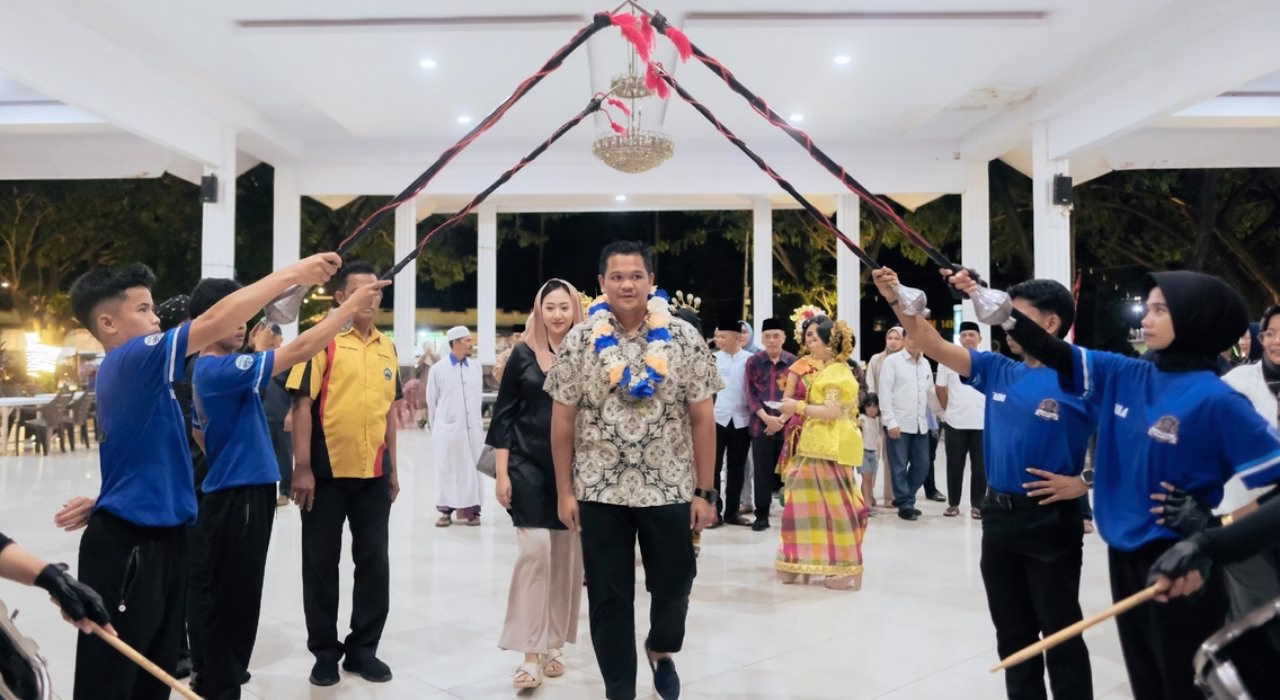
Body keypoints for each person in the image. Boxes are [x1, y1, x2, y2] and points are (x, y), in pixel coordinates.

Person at [950, 268, 1280, 700]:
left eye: (1161, 309)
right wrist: (994, 305)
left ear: (1195, 320)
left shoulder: (1218, 399)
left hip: (1181, 559)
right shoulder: (1125, 373)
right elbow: (1049, 348)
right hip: (1124, 556)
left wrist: (1211, 536)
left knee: (1181, 685)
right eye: (1150, 306)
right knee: (1145, 682)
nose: (1147, 317)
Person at [64, 255, 340, 700]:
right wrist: (295, 274)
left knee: (154, 676)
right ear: (107, 323)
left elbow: (152, 456)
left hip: (162, 538)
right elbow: (215, 320)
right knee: (113, 682)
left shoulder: (147, 381)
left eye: (154, 309)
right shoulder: (130, 360)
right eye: (143, 310)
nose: (156, 319)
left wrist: (106, 497)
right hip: (133, 546)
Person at [874, 268, 1097, 699]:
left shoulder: (1079, 376)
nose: (1005, 323)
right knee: (1013, 637)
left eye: (1017, 315)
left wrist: (1085, 481)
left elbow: (1127, 437)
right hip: (998, 520)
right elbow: (932, 344)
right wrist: (894, 298)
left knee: (1061, 633)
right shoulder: (998, 368)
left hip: (1050, 522)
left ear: (1049, 323)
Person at [187, 275, 386, 699]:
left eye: (244, 314)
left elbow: (202, 431)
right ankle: (218, 682)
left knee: (239, 595)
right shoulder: (218, 369)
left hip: (247, 489)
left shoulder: (223, 367)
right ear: (207, 321)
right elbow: (296, 351)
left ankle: (220, 674)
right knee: (233, 600)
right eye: (233, 314)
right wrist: (348, 308)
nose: (242, 323)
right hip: (238, 494)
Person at [547, 240, 719, 700]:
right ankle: (618, 690)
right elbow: (562, 422)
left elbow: (703, 418)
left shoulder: (682, 338)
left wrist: (705, 491)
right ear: (601, 283)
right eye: (617, 276)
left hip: (670, 486)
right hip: (599, 489)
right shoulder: (581, 340)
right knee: (608, 597)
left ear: (651, 282)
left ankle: (661, 649)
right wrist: (565, 492)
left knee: (675, 584)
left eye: (636, 275)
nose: (627, 284)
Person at [285, 260, 403, 687]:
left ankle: (363, 649)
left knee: (374, 564)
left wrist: (392, 468)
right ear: (340, 298)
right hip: (325, 476)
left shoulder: (387, 347)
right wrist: (301, 468)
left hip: (373, 474)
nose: (371, 298)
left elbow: (389, 410)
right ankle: (323, 653)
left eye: (376, 291)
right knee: (320, 565)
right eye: (361, 291)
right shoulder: (321, 341)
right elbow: (301, 405)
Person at [488, 280, 586, 690]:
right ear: (539, 310)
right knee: (536, 552)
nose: (558, 314)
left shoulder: (589, 354)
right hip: (527, 467)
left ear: (576, 310)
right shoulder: (522, 355)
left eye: (565, 306)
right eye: (550, 307)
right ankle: (529, 653)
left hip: (575, 470)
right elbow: (504, 415)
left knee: (564, 559)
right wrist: (502, 471)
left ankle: (553, 645)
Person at [775, 315, 868, 591]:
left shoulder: (837, 373)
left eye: (815, 336)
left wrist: (797, 408)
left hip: (830, 449)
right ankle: (802, 560)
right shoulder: (826, 369)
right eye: (809, 335)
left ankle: (846, 567)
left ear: (830, 344)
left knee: (837, 509)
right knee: (803, 507)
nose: (809, 339)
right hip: (815, 446)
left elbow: (832, 411)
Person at [1213, 305, 1280, 620]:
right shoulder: (1238, 381)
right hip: (1244, 517)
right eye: (1271, 333)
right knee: (1251, 615)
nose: (1276, 341)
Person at [879, 328, 943, 521]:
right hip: (898, 422)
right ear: (904, 339)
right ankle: (906, 504)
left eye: (918, 337)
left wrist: (942, 414)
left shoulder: (925, 364)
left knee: (923, 465)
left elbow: (931, 393)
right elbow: (885, 393)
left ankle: (905, 497)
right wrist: (890, 421)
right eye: (911, 337)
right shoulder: (892, 362)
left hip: (920, 424)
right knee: (898, 466)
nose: (915, 341)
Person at [427, 325, 486, 527]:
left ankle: (473, 512)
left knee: (472, 470)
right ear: (456, 343)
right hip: (448, 432)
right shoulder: (438, 370)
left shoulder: (476, 368)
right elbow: (432, 404)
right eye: (468, 340)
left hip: (473, 431)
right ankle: (445, 511)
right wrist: (439, 431)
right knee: (448, 469)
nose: (471, 344)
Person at [743, 318, 796, 530]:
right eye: (768, 336)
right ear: (762, 339)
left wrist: (781, 420)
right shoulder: (753, 362)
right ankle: (762, 515)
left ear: (784, 338)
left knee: (790, 472)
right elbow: (750, 394)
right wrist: (768, 419)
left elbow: (800, 394)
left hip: (788, 425)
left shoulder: (794, 363)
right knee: (762, 471)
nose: (772, 340)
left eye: (776, 336)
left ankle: (792, 515)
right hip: (761, 425)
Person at [936, 321, 987, 518]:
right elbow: (940, 388)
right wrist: (949, 409)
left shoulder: (987, 360)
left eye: (971, 335)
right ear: (959, 338)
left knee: (980, 467)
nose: (967, 339)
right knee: (954, 464)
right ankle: (953, 504)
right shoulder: (948, 360)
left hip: (982, 422)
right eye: (964, 335)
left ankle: (978, 505)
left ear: (979, 338)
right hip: (955, 421)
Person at [711, 318, 753, 527]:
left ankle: (733, 512)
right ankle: (714, 512)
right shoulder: (712, 359)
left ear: (737, 337)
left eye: (723, 336)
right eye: (718, 336)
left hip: (741, 421)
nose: (719, 340)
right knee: (714, 469)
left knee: (737, 469)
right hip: (716, 419)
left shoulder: (750, 360)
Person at [248, 320, 293, 507]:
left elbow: (295, 390)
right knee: (260, 454)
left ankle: (285, 491)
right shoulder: (253, 359)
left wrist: (291, 413)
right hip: (259, 416)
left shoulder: (285, 359)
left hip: (280, 415)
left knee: (284, 454)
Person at [858, 394, 882, 513]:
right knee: (866, 478)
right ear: (864, 407)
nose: (872, 409)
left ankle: (868, 498)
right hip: (863, 453)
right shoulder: (863, 418)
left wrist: (879, 451)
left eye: (874, 406)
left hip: (873, 453)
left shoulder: (877, 420)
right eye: (869, 406)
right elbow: (857, 424)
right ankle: (867, 505)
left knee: (871, 479)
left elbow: (878, 437)